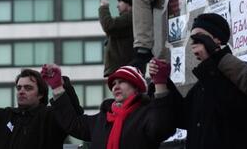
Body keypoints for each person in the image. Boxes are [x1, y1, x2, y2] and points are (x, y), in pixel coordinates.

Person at [159, 13, 247, 149]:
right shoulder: (201, 84)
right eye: (193, 39)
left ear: (217, 39)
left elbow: (233, 110)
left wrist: (211, 59)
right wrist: (163, 82)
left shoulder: (242, 71)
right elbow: (185, 118)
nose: (194, 43)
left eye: (199, 37)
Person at [44, 63, 176, 149]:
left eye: (122, 82)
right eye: (113, 84)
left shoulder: (146, 114)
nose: (116, 86)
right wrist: (57, 88)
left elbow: (162, 127)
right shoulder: (103, 118)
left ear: (137, 87)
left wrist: (160, 84)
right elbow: (72, 124)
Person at [0, 65, 83, 149]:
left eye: (28, 88)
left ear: (40, 94)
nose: (21, 91)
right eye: (19, 88)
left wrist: (59, 84)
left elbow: (74, 117)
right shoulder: (3, 116)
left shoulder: (51, 117)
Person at [99, 0, 137, 77]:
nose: (117, 5)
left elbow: (108, 25)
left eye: (120, 2)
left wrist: (103, 7)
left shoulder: (130, 17)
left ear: (129, 3)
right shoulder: (129, 18)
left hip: (123, 69)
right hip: (123, 68)